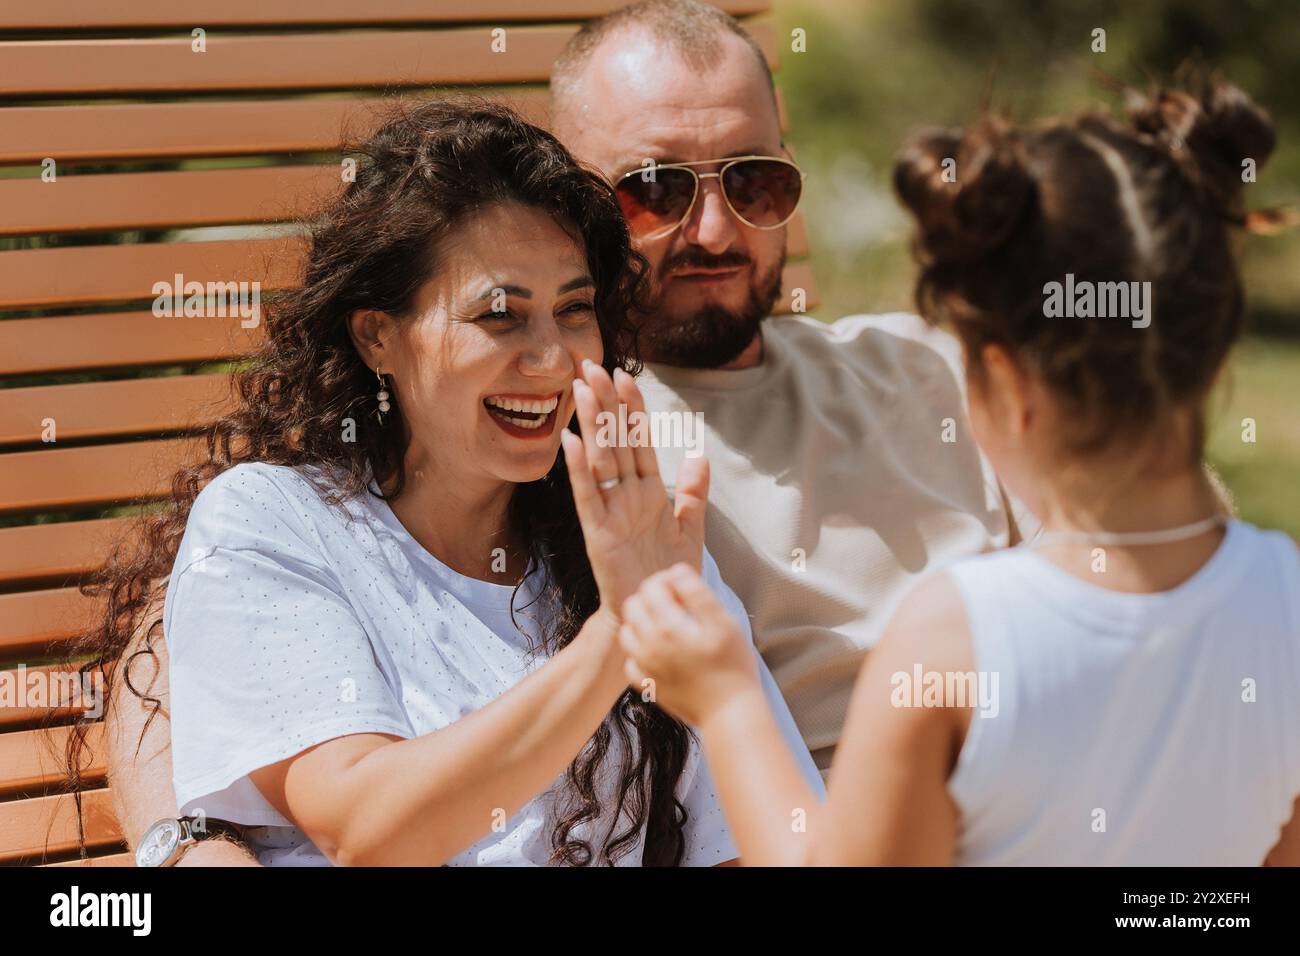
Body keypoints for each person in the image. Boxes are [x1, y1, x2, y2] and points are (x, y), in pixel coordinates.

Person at [75, 99, 820, 867]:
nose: (553, 358)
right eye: (501, 316)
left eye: (574, 310)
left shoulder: (638, 539)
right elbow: (367, 829)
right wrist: (616, 640)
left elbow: (760, 842)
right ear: (378, 336)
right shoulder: (272, 525)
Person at [614, 76, 1300, 865]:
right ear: (1213, 367)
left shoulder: (951, 635)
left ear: (1002, 387)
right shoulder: (1283, 595)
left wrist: (729, 699)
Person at [549, 0, 1032, 776]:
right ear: (570, 203)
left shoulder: (931, 362)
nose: (714, 231)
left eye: (756, 182)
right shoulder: (561, 436)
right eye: (653, 190)